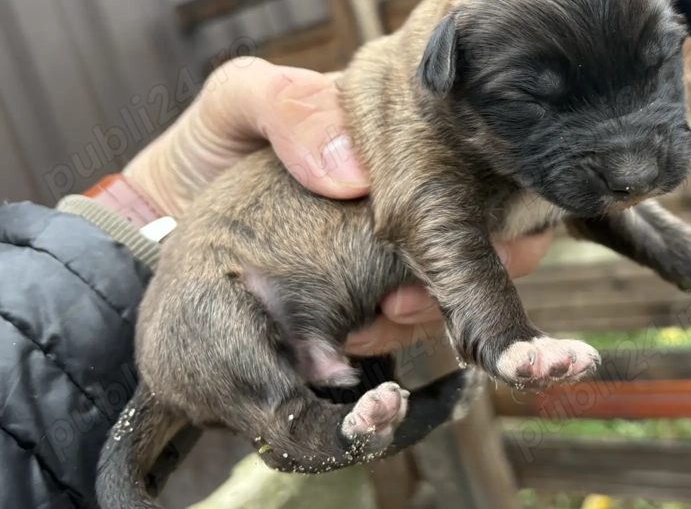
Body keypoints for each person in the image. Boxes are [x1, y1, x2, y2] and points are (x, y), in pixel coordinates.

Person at [0, 58, 552, 509]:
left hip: (248, 296)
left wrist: (155, 202)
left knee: (369, 345)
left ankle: (348, 421)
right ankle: (309, 430)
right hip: (218, 292)